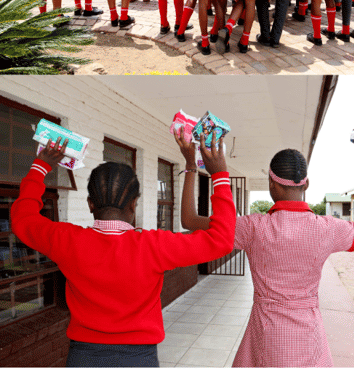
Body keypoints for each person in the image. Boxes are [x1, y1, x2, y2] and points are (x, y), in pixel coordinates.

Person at [11, 132, 235, 367]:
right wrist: (219, 176)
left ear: (90, 204)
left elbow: (22, 219)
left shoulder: (67, 241)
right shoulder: (154, 246)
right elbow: (222, 239)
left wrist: (41, 165)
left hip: (84, 357)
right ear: (134, 204)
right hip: (139, 358)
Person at [181, 137, 354, 367]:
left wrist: (191, 164)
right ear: (307, 184)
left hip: (266, 336)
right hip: (308, 337)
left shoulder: (252, 227)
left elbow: (189, 219)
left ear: (271, 185)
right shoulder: (326, 228)